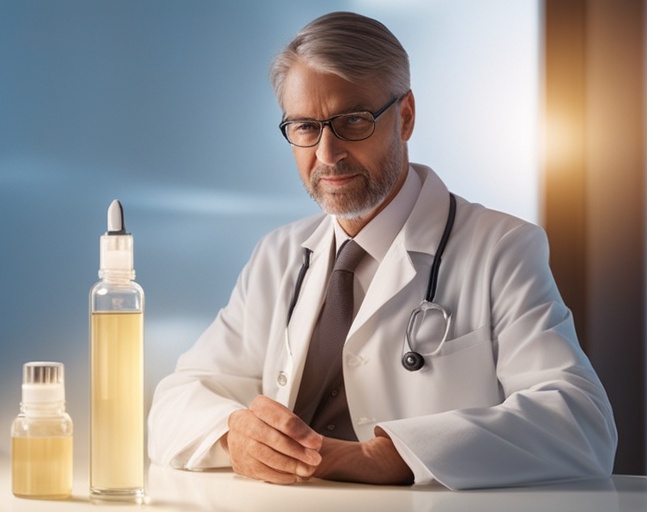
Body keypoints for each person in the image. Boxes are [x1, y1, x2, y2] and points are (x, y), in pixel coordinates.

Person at [147, 11, 617, 490]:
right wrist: (233, 435)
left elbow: (580, 422)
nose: (327, 154)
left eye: (352, 120)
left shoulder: (501, 249)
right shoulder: (279, 255)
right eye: (306, 127)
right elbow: (175, 401)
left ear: (405, 116)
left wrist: (394, 455)